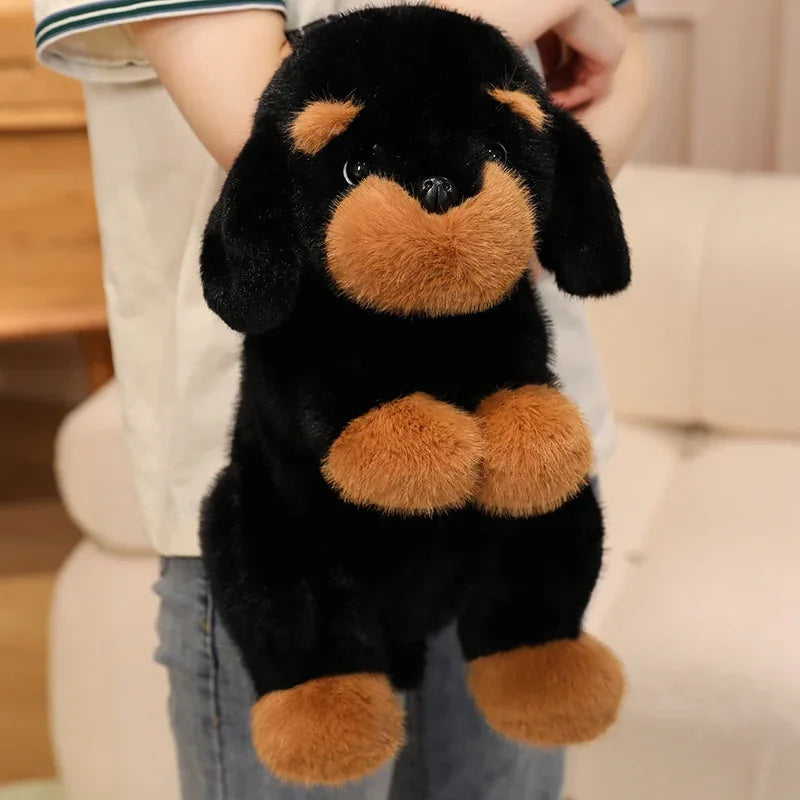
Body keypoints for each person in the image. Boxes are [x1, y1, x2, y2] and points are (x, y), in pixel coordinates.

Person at [33, 0, 651, 797]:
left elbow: (622, 72)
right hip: (291, 492)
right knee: (321, 732)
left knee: (521, 714)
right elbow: (284, 138)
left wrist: (521, 212)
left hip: (519, 469)